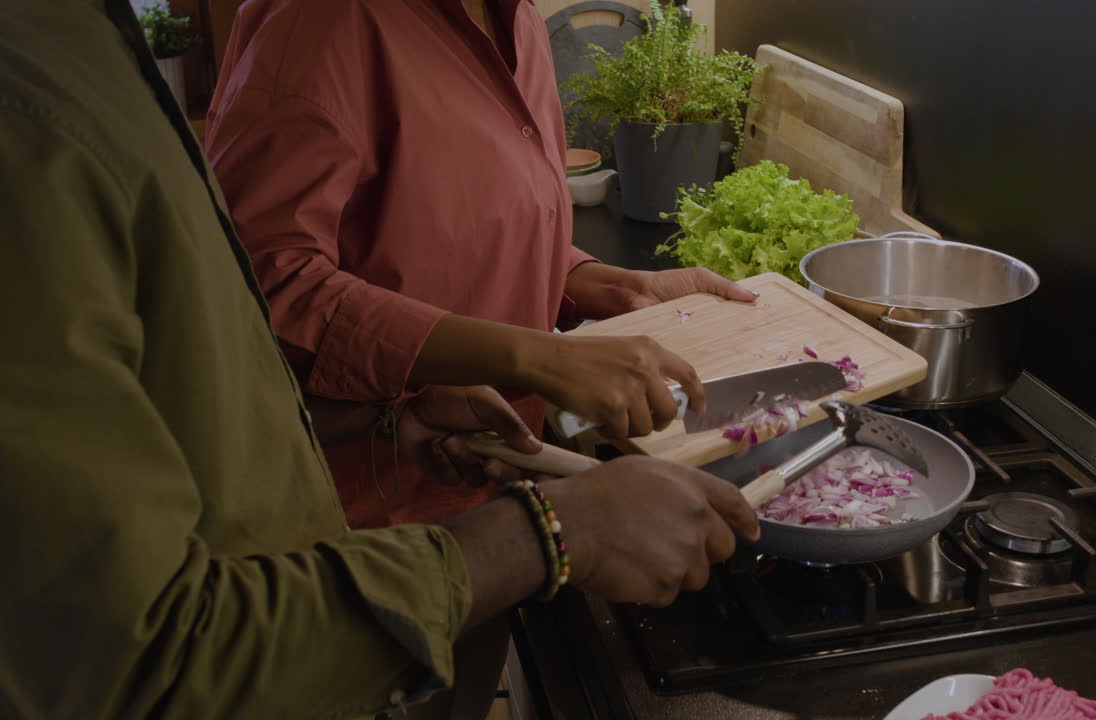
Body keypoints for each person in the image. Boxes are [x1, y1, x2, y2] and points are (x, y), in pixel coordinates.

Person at [0, 2, 761, 719]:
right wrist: (529, 364)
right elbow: (270, 276)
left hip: (478, 475)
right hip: (353, 537)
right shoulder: (319, 23)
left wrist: (593, 282)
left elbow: (470, 215)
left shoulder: (518, 22)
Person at [203, 0, 758, 530]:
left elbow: (462, 224)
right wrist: (540, 358)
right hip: (359, 523)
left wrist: (607, 285)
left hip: (487, 487)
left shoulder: (517, 21)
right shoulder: (319, 24)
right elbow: (261, 283)